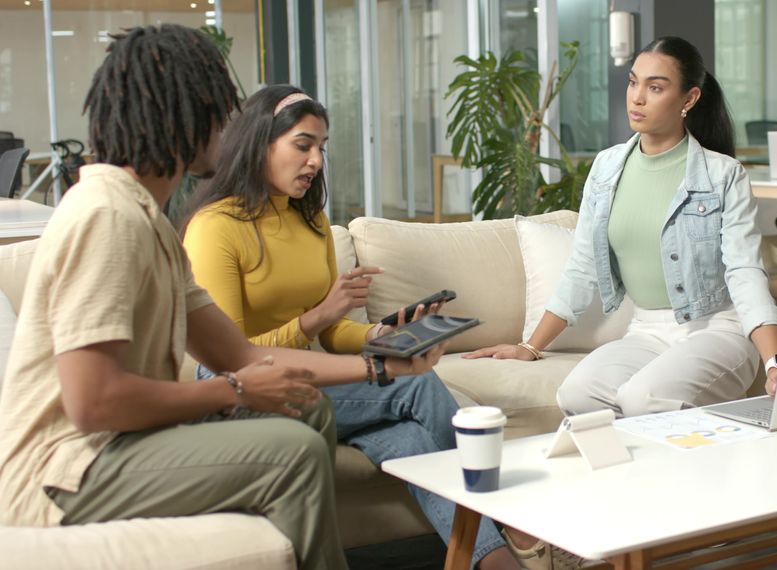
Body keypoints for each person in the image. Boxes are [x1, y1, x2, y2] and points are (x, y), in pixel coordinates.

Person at [0, 25, 446, 570]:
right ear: (183, 115)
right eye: (221, 110)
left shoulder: (153, 225)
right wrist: (232, 391)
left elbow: (241, 354)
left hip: (117, 443)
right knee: (296, 453)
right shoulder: (107, 217)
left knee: (304, 411)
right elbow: (93, 402)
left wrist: (384, 368)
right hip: (66, 470)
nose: (231, 126)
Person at [181, 84, 523, 570]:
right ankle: (509, 515)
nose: (316, 161)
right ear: (260, 142)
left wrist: (377, 337)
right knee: (418, 386)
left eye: (321, 147)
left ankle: (490, 560)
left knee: (413, 443)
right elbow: (230, 353)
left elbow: (331, 333)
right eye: (303, 145)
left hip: (309, 379)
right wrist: (316, 318)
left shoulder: (312, 222)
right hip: (242, 387)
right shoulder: (217, 226)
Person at [466, 36, 777, 417]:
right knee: (577, 396)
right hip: (647, 330)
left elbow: (745, 270)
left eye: (655, 87)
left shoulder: (723, 175)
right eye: (633, 82)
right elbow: (582, 266)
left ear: (689, 99)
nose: (637, 97)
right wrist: (530, 347)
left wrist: (773, 363)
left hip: (717, 328)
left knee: (642, 398)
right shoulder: (606, 168)